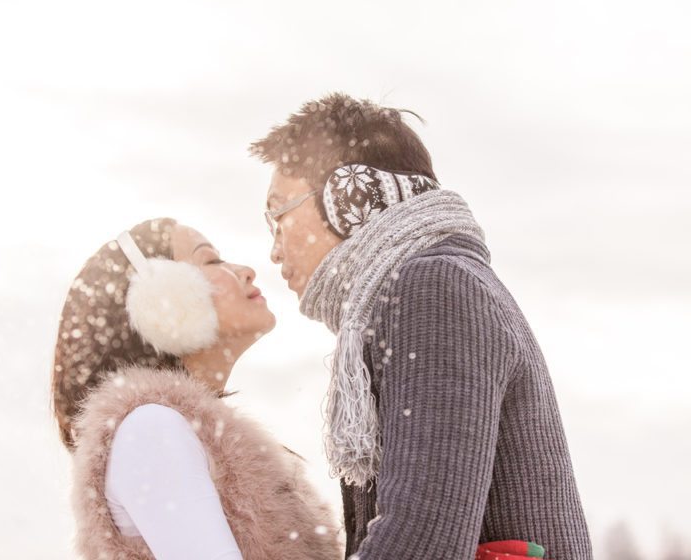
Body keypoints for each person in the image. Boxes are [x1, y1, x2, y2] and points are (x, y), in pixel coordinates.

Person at [250, 92, 594, 559]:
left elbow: (423, 534)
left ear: (348, 197)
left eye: (278, 215)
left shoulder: (434, 286)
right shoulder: (432, 286)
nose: (274, 249)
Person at [51, 218, 342, 560]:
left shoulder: (176, 431)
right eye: (211, 261)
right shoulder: (150, 430)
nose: (246, 271)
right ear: (161, 301)